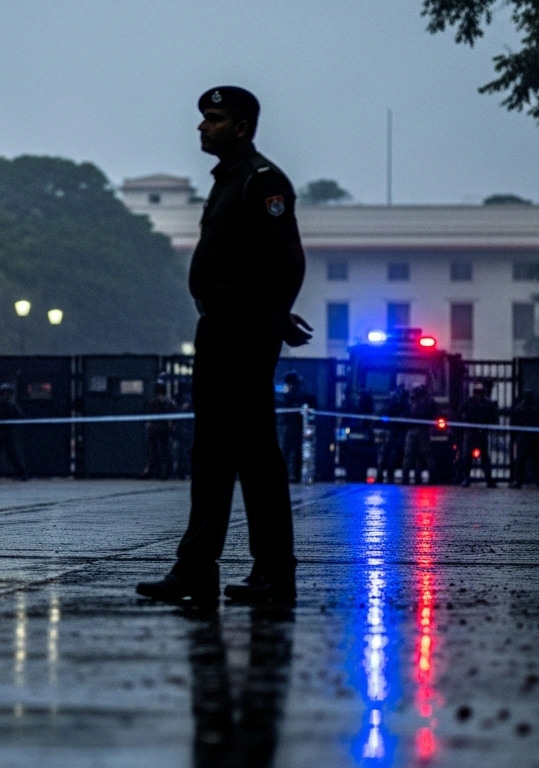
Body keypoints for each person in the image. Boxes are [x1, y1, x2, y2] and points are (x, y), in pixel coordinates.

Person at [137, 85, 312, 606]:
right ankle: (200, 569)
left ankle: (271, 571)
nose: (201, 127)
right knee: (214, 453)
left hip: (243, 333)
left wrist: (271, 318)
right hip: (221, 329)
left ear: (241, 126)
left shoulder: (262, 181)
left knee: (253, 454)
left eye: (213, 119)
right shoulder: (228, 181)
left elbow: (289, 258)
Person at [277, 372, 317, 483]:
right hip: (299, 426)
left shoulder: (289, 396)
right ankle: (297, 475)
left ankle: (289, 475)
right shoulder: (305, 396)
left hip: (293, 426)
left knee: (287, 452)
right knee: (297, 452)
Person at [0, 383, 29, 481]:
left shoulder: (11, 404)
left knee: (14, 455)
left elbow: (20, 415)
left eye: (8, 393)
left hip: (8, 432)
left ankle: (22, 474)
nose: (6, 395)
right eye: (5, 393)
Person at [457, 383, 499, 488]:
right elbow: (459, 414)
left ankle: (488, 480)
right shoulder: (469, 402)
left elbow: (493, 417)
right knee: (467, 457)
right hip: (471, 431)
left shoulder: (486, 403)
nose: (478, 395)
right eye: (477, 392)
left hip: (480, 432)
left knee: (484, 457)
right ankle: (466, 478)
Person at [507, 391, 539, 489]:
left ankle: (519, 482)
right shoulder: (537, 410)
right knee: (535, 461)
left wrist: (513, 437)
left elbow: (513, 423)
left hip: (523, 438)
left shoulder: (519, 409)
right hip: (534, 438)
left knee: (521, 461)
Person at [401, 385, 437, 485]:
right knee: (426, 455)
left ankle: (405, 478)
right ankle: (432, 478)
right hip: (423, 430)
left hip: (411, 431)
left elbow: (405, 414)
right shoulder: (428, 401)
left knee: (409, 456)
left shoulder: (410, 401)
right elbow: (434, 413)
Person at [144, 381, 178, 480]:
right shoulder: (169, 401)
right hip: (164, 428)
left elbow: (149, 416)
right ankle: (165, 471)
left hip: (154, 428)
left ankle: (152, 470)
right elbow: (174, 412)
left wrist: (148, 425)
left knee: (152, 450)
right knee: (165, 449)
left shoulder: (152, 401)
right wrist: (171, 424)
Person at [375, 386, 408, 483]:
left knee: (387, 456)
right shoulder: (400, 404)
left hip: (393, 433)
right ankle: (384, 476)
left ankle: (383, 476)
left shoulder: (396, 403)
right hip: (392, 432)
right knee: (387, 455)